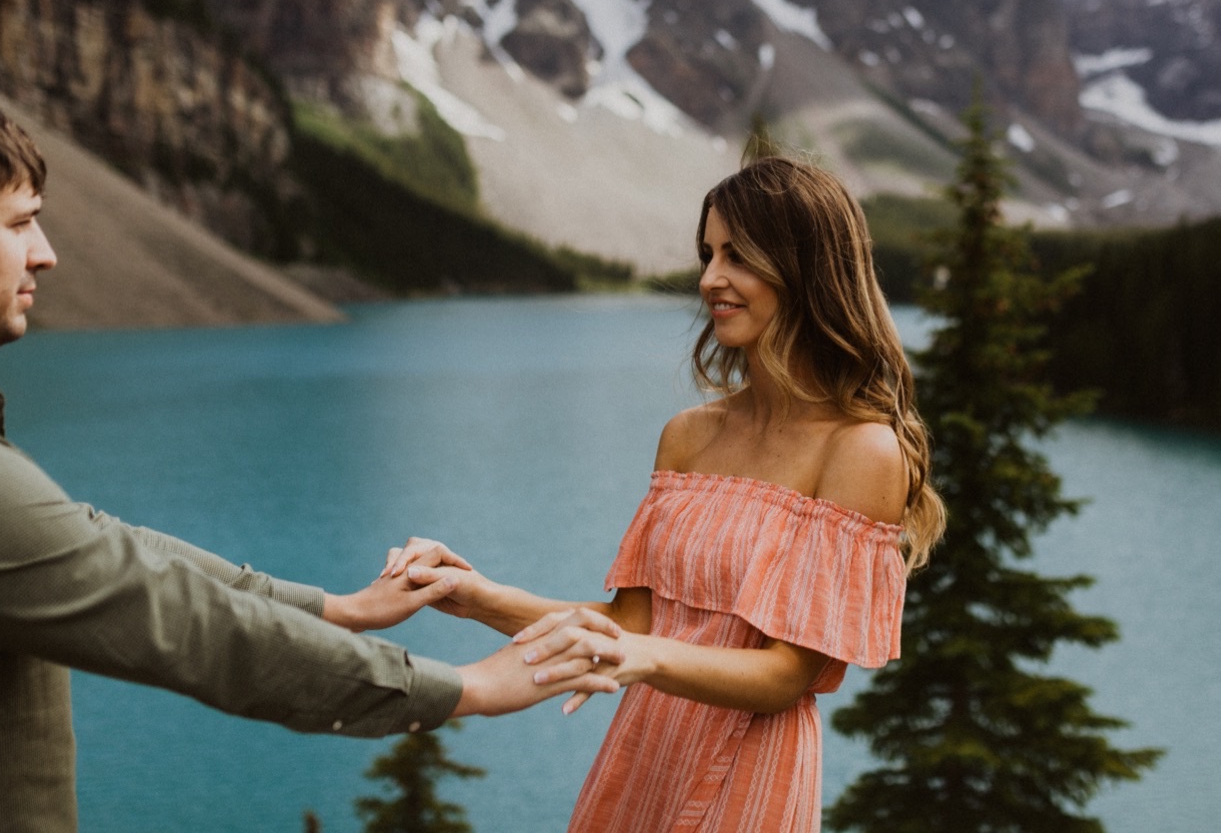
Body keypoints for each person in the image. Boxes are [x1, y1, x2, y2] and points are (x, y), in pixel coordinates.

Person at [0, 80, 623, 833]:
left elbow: (103, 546)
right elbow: (177, 619)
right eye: (21, 225)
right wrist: (465, 687)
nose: (45, 256)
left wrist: (340, 610)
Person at [386, 154, 947, 831]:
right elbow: (631, 628)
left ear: (805, 271)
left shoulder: (860, 450)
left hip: (749, 768)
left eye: (739, 256)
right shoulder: (688, 435)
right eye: (707, 254)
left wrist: (641, 657)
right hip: (644, 749)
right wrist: (475, 594)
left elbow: (784, 676)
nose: (711, 279)